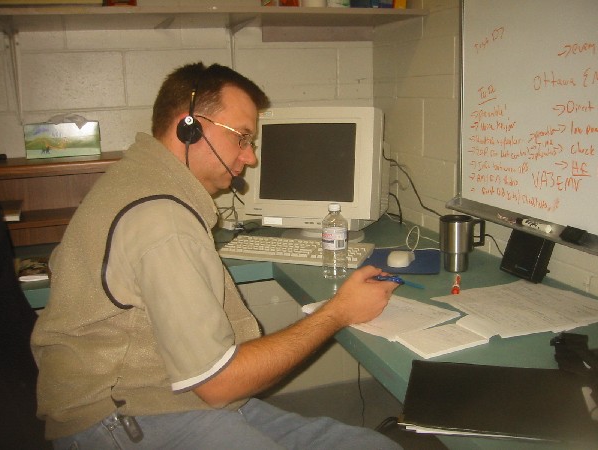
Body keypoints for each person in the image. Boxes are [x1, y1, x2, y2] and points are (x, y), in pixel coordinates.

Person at [31, 62, 401, 449]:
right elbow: (220, 382)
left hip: (170, 393)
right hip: (120, 418)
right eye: (241, 138)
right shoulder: (163, 221)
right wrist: (338, 312)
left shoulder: (142, 179)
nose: (251, 158)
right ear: (189, 127)